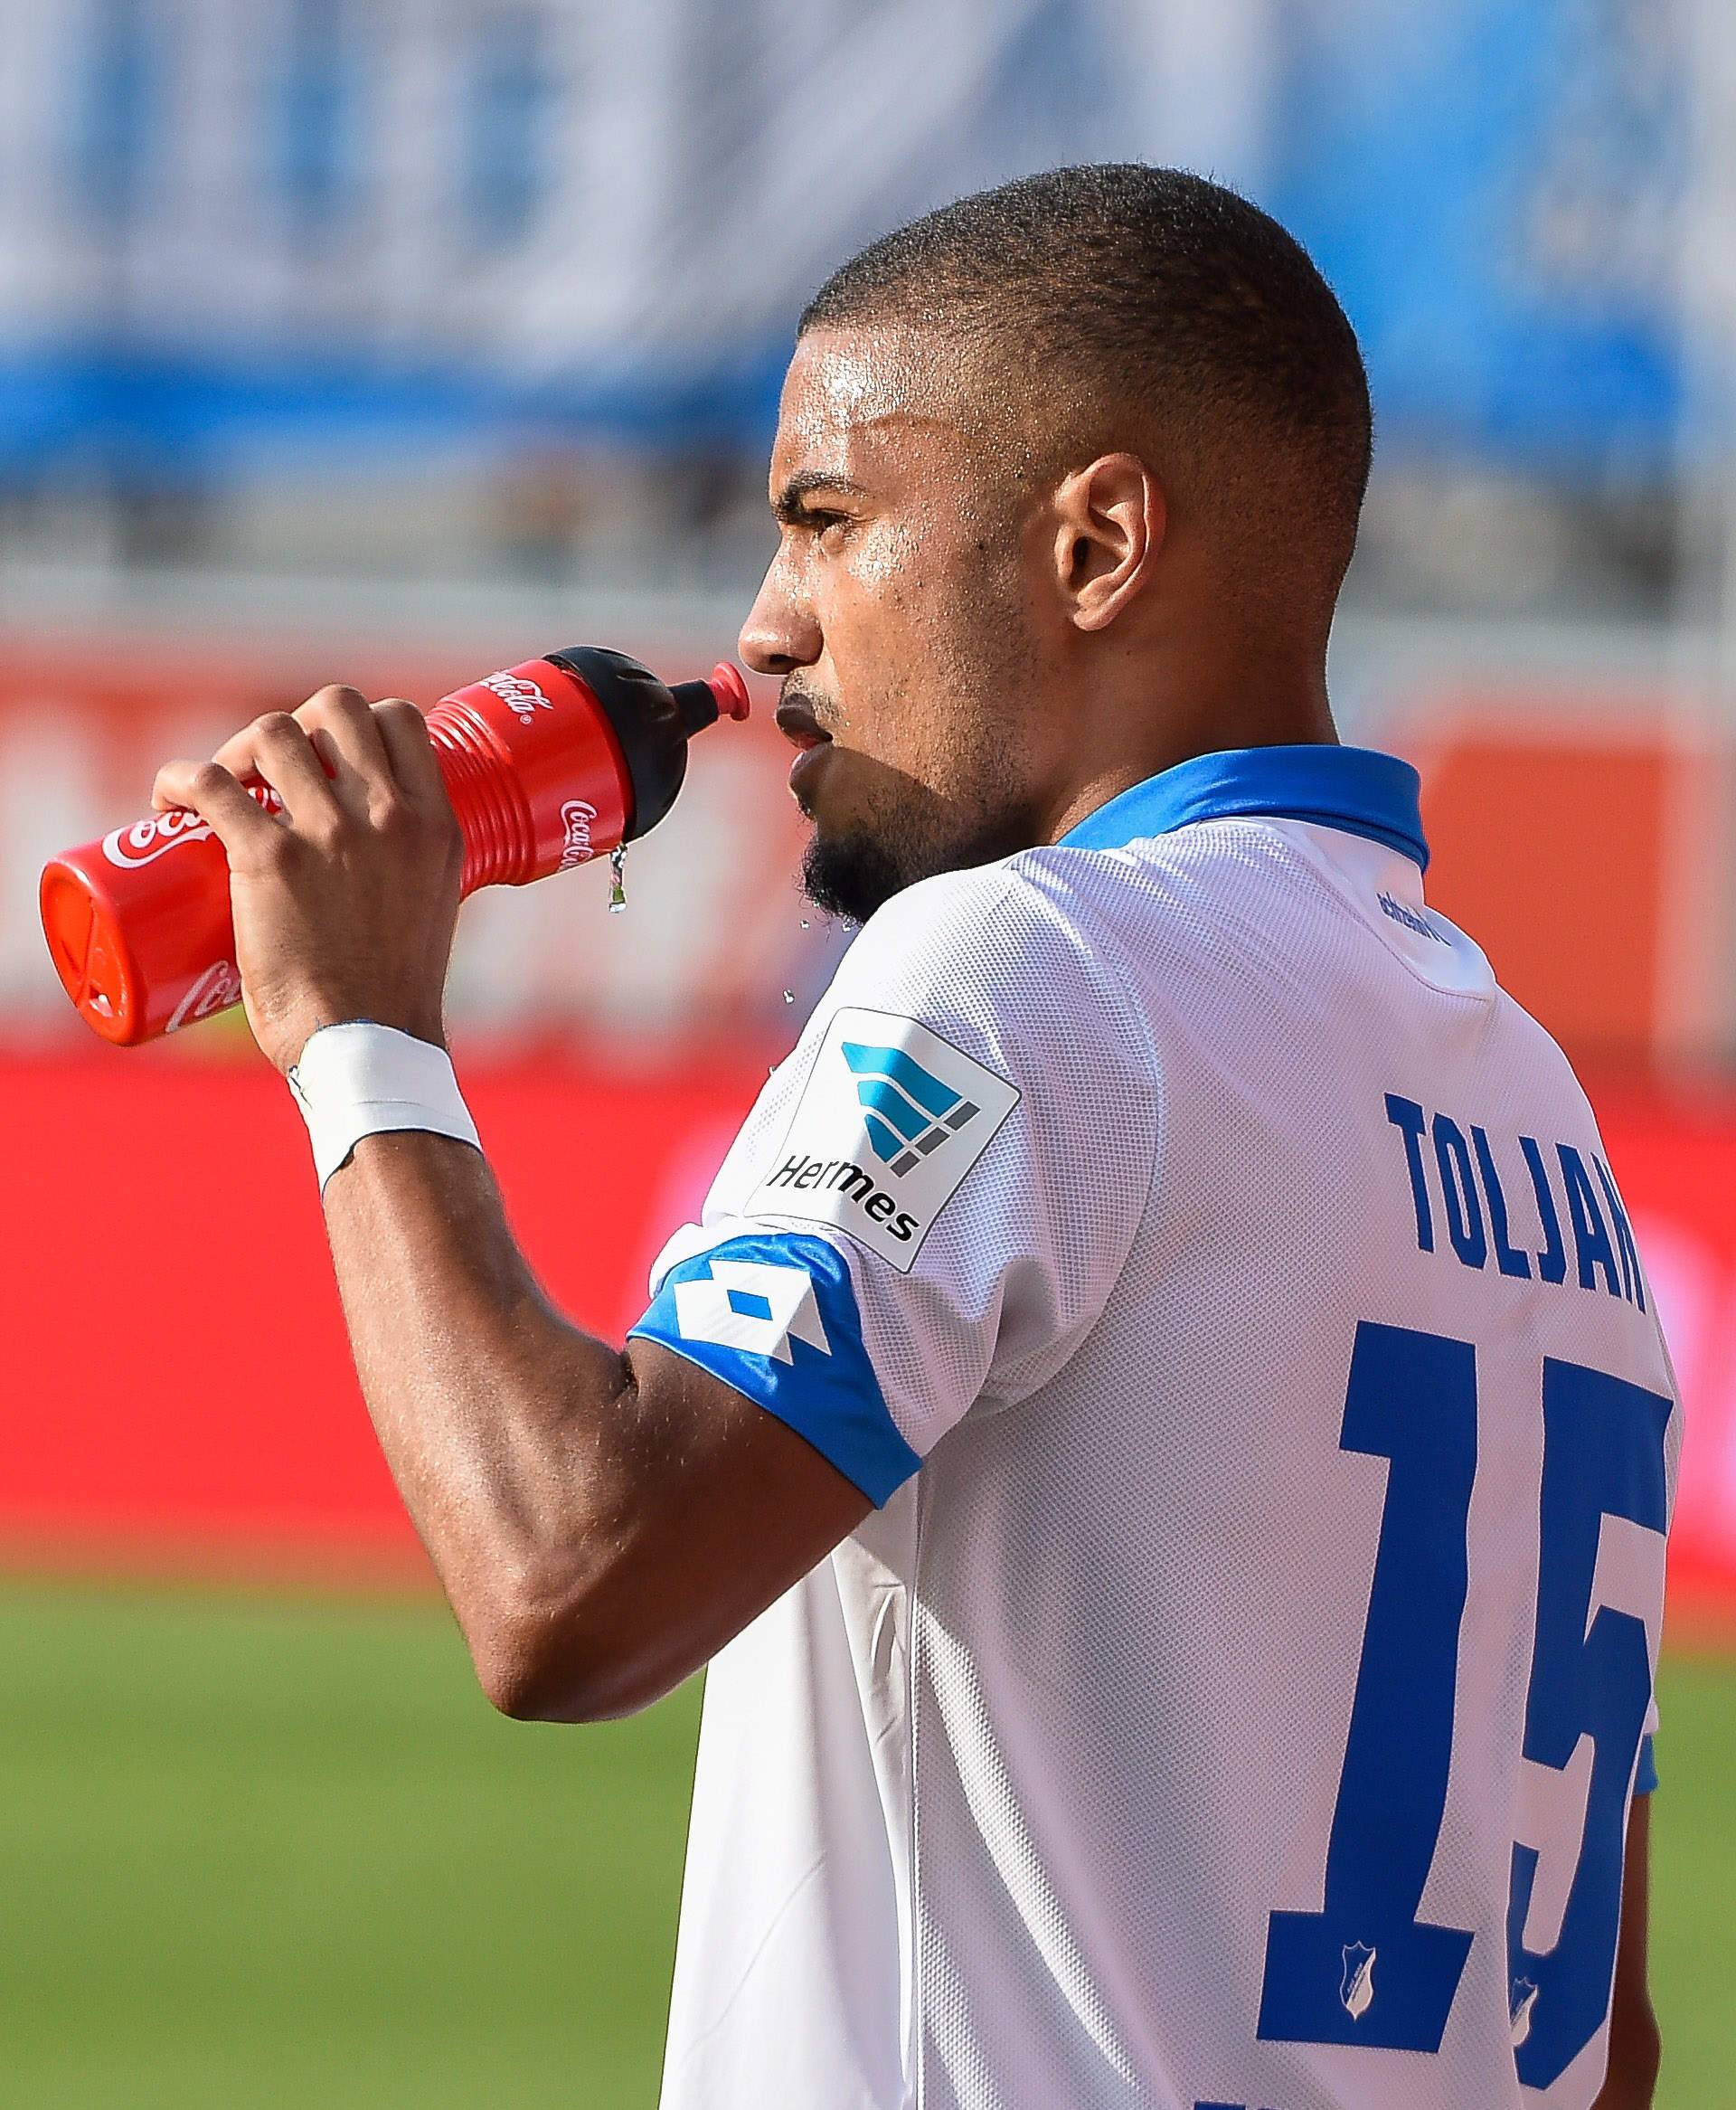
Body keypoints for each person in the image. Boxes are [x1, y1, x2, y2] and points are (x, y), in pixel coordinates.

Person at [154, 166, 1675, 2110]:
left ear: (1099, 541)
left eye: (827, 520)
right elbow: (1608, 2049)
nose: (766, 626)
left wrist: (362, 1037)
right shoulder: (1539, 1111)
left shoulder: (1035, 962)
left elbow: (566, 1576)